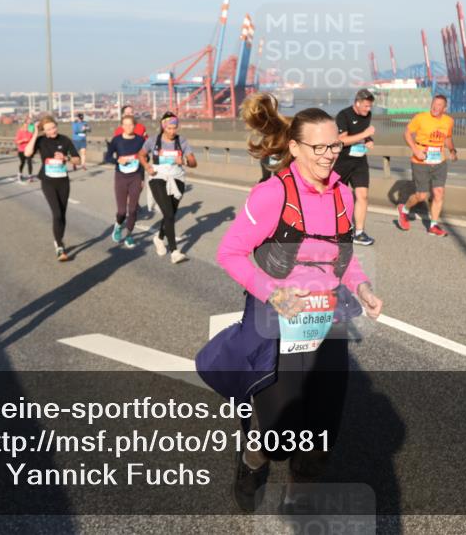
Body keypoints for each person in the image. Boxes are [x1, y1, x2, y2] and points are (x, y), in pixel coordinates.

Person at [198, 93, 383, 513]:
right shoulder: (272, 194)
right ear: (295, 148)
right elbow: (229, 253)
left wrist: (363, 288)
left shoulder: (343, 195)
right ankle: (253, 461)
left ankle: (300, 500)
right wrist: (273, 292)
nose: (328, 155)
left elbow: (344, 259)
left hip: (327, 320)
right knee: (278, 433)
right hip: (277, 320)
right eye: (318, 147)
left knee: (322, 430)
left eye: (334, 145)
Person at [395, 94, 457, 236]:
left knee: (439, 193)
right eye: (434, 103)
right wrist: (415, 150)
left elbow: (447, 137)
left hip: (439, 161)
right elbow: (407, 133)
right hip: (421, 161)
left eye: (439, 105)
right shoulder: (421, 118)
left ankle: (433, 225)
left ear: (445, 108)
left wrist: (452, 150)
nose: (435, 107)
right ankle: (404, 209)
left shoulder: (449, 121)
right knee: (421, 196)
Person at [24, 115, 81, 261]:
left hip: (63, 181)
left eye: (54, 127)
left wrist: (66, 158)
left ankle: (58, 239)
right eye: (48, 129)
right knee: (56, 214)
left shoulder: (65, 140)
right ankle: (60, 246)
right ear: (44, 131)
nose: (52, 131)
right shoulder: (41, 140)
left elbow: (78, 160)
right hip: (48, 181)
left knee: (62, 214)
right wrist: (35, 134)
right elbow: (27, 152)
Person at [143, 112, 197, 264]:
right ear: (163, 127)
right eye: (169, 128)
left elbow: (194, 162)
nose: (172, 131)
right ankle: (174, 251)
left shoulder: (181, 141)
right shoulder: (153, 141)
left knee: (170, 214)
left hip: (177, 179)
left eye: (175, 128)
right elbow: (141, 155)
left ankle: (159, 238)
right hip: (158, 177)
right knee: (168, 213)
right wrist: (147, 166)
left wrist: (184, 161)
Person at [333, 88, 376, 246]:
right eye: (365, 106)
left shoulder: (367, 115)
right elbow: (342, 140)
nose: (368, 109)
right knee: (338, 198)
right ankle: (334, 229)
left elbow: (362, 134)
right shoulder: (343, 115)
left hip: (360, 161)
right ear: (357, 103)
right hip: (342, 162)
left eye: (370, 106)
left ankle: (359, 233)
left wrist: (368, 139)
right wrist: (365, 135)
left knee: (362, 195)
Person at [104, 114, 147, 248]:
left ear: (135, 126)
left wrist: (142, 178)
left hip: (136, 177)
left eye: (131, 124)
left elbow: (145, 159)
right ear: (122, 126)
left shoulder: (140, 140)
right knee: (122, 212)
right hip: (121, 177)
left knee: (133, 210)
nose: (128, 127)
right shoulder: (117, 140)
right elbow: (107, 157)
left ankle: (129, 235)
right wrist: (117, 160)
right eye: (125, 124)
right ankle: (118, 225)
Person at [14, 117, 35, 183]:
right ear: (22, 126)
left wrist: (32, 146)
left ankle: (30, 176)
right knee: (22, 162)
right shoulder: (19, 132)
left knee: (29, 162)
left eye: (27, 126)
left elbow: (32, 141)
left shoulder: (30, 133)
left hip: (28, 150)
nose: (26, 127)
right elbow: (17, 142)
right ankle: (19, 174)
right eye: (25, 126)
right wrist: (23, 140)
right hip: (21, 150)